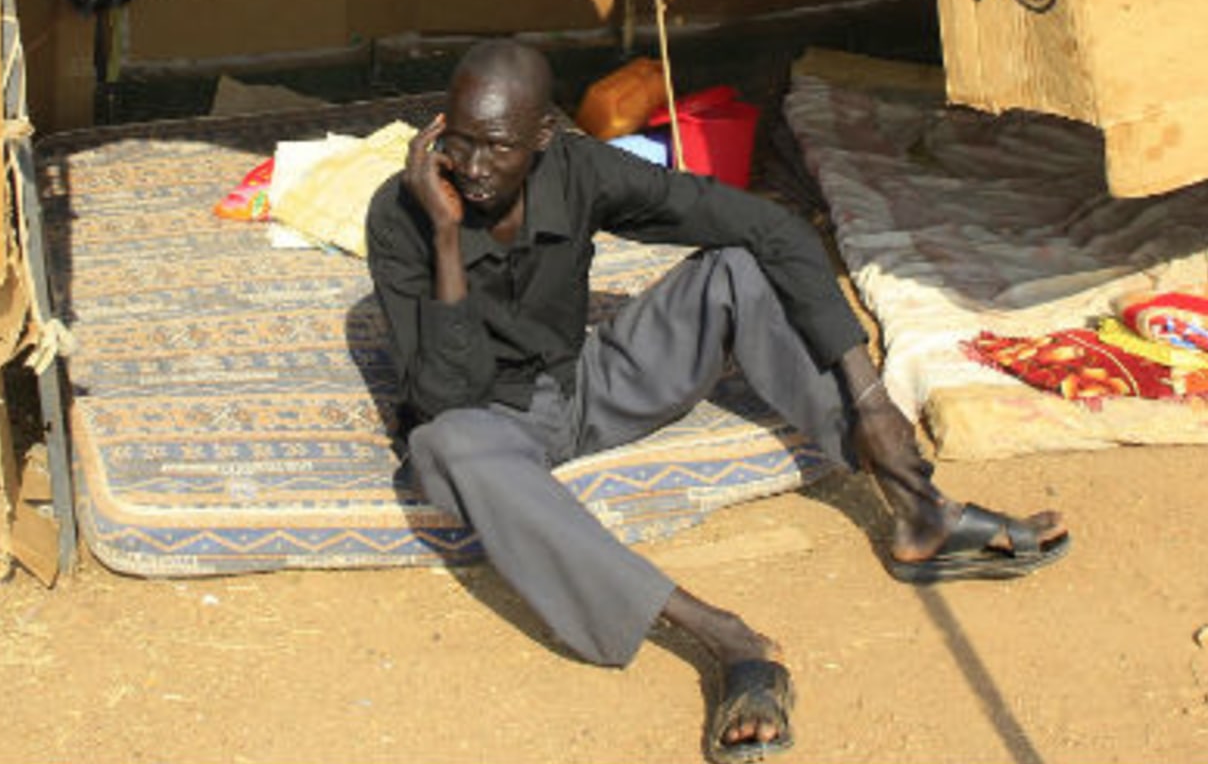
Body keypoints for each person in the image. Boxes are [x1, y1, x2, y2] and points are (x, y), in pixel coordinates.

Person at [366, 39, 1070, 763]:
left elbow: (771, 230)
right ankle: (728, 639)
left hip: (581, 386)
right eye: (459, 141)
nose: (474, 169)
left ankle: (918, 511)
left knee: (737, 268)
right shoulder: (401, 214)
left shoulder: (578, 170)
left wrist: (872, 398)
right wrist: (446, 236)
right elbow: (446, 391)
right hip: (488, 425)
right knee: (443, 444)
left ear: (545, 137)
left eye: (497, 148)